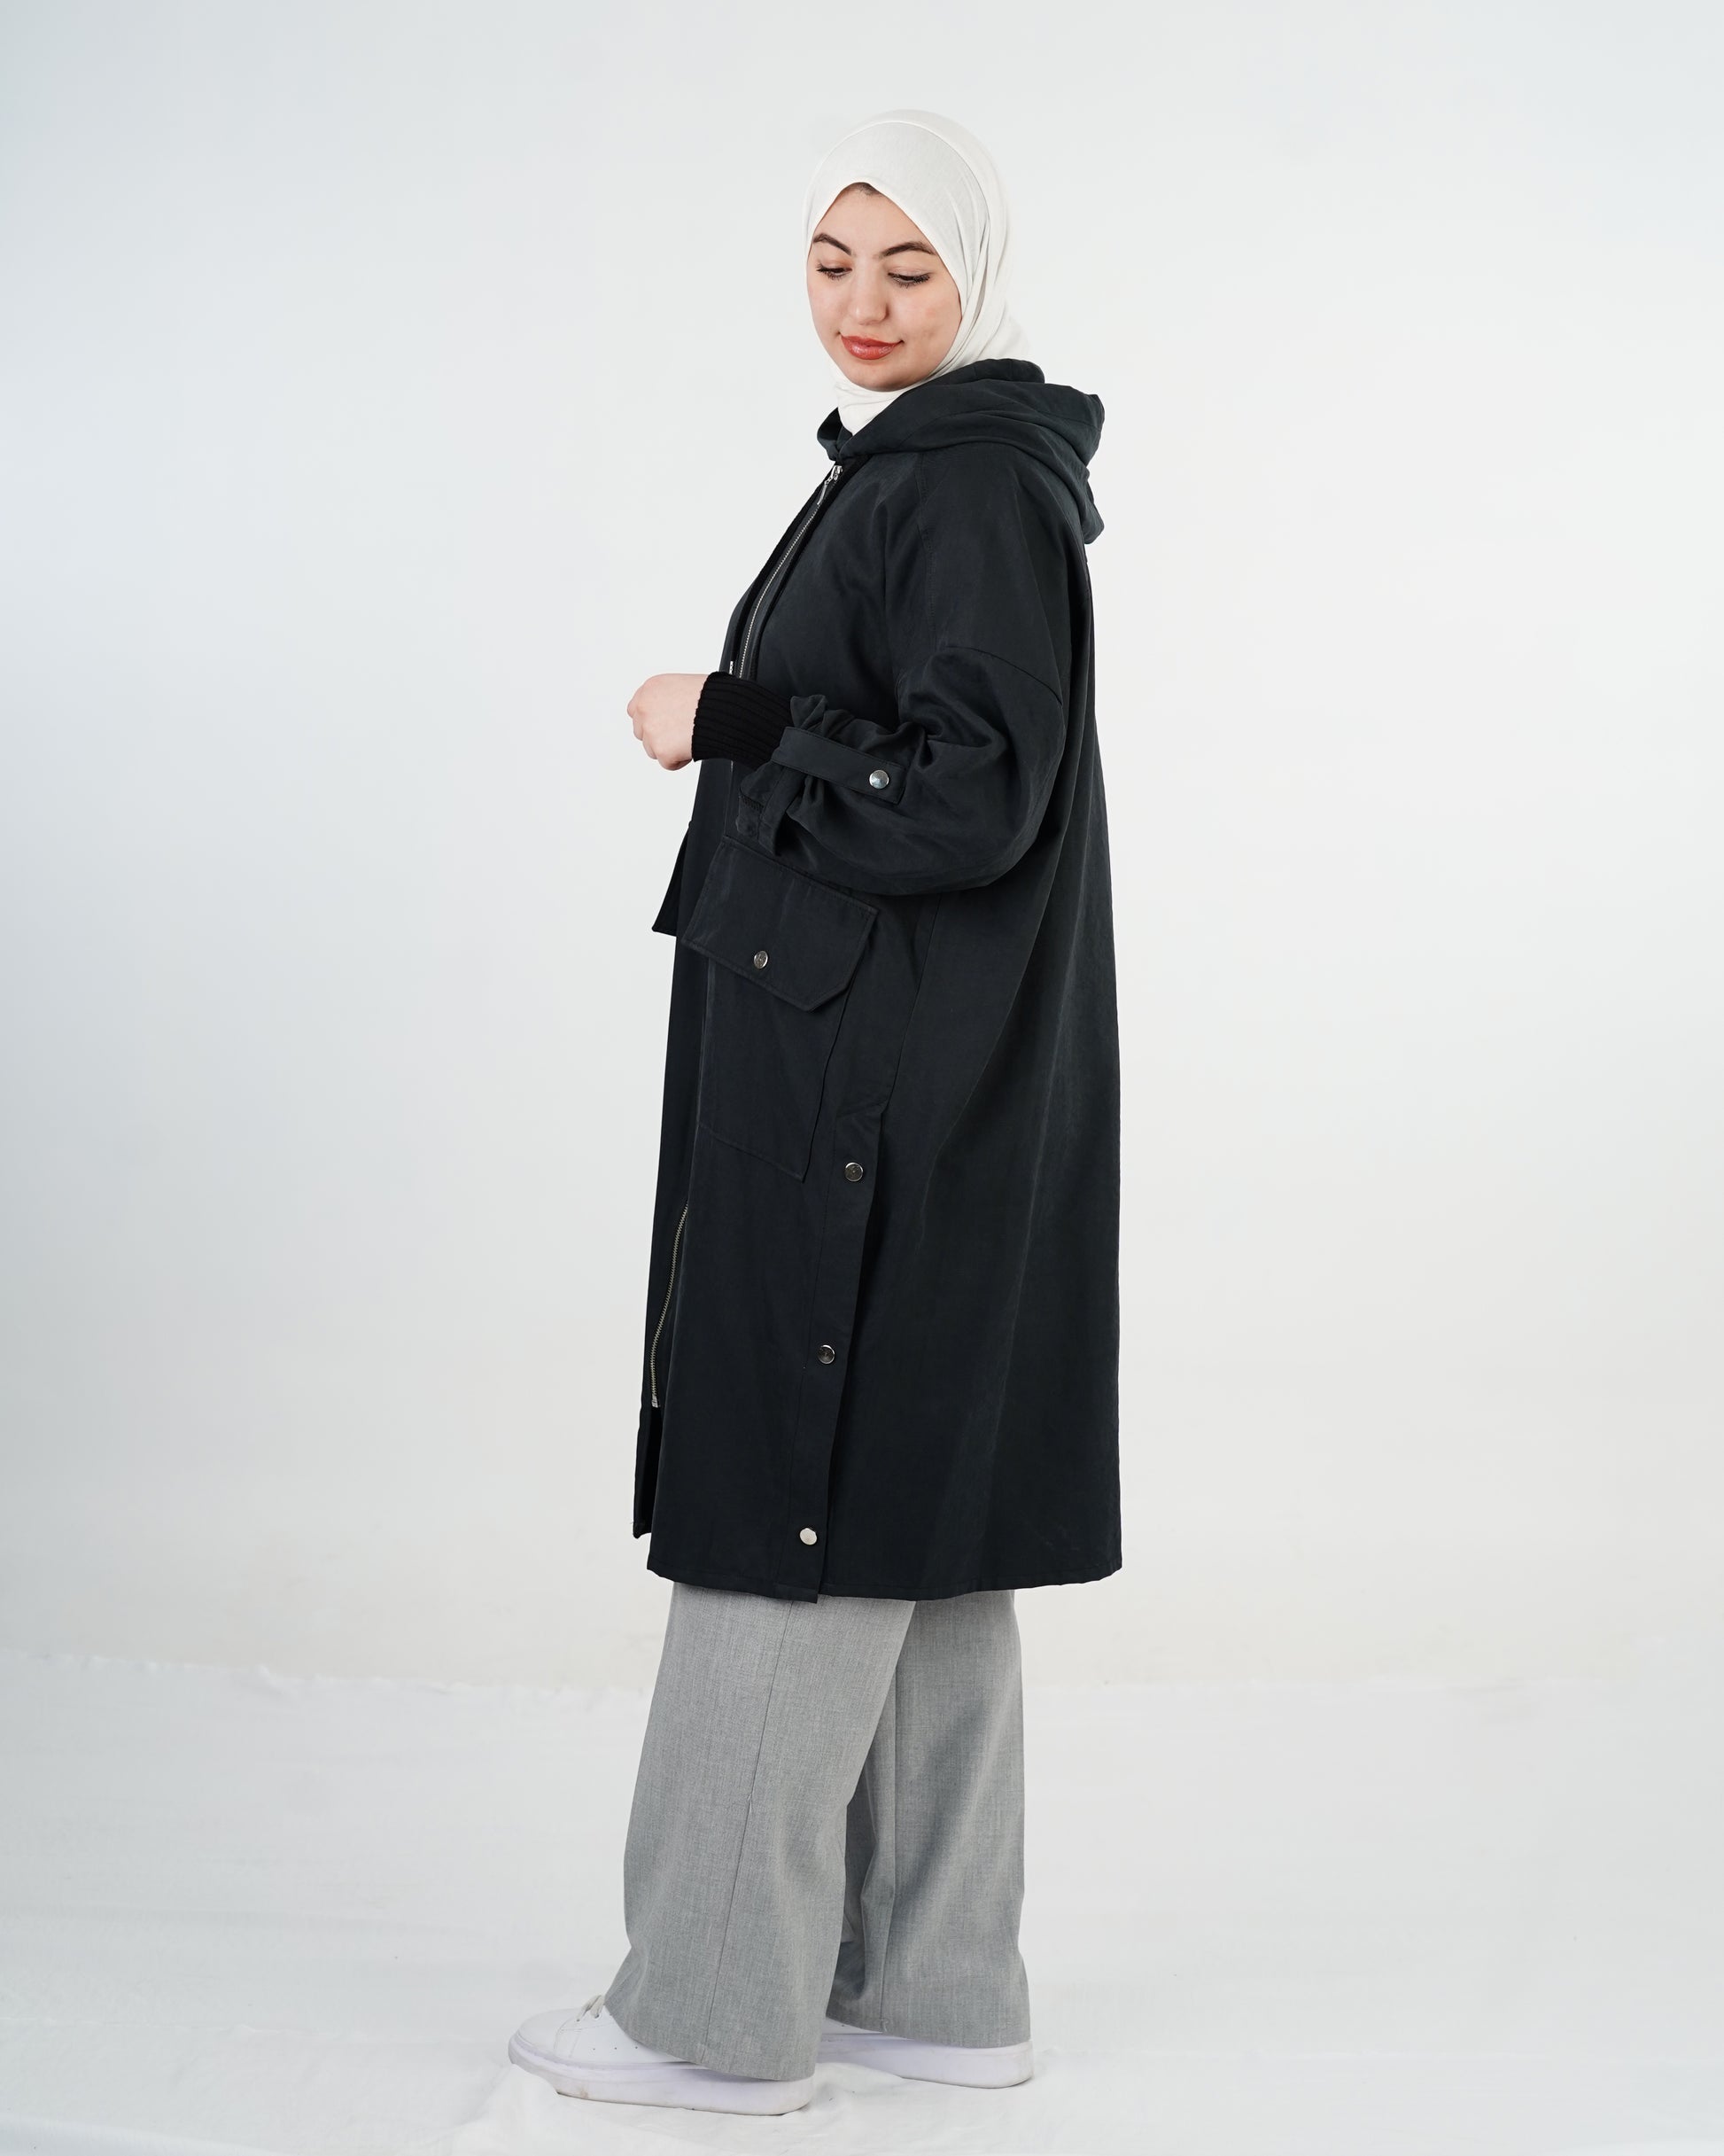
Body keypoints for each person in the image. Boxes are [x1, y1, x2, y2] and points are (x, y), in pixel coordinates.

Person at [508, 107, 1119, 2115]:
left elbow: (972, 795)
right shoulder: (948, 467)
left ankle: (712, 2016)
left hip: (866, 1084)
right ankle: (934, 1991)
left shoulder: (966, 486)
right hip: (909, 1065)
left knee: (791, 1504)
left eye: (907, 268)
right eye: (832, 261)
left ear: (976, 274)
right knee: (918, 1517)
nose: (861, 304)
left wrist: (736, 716)